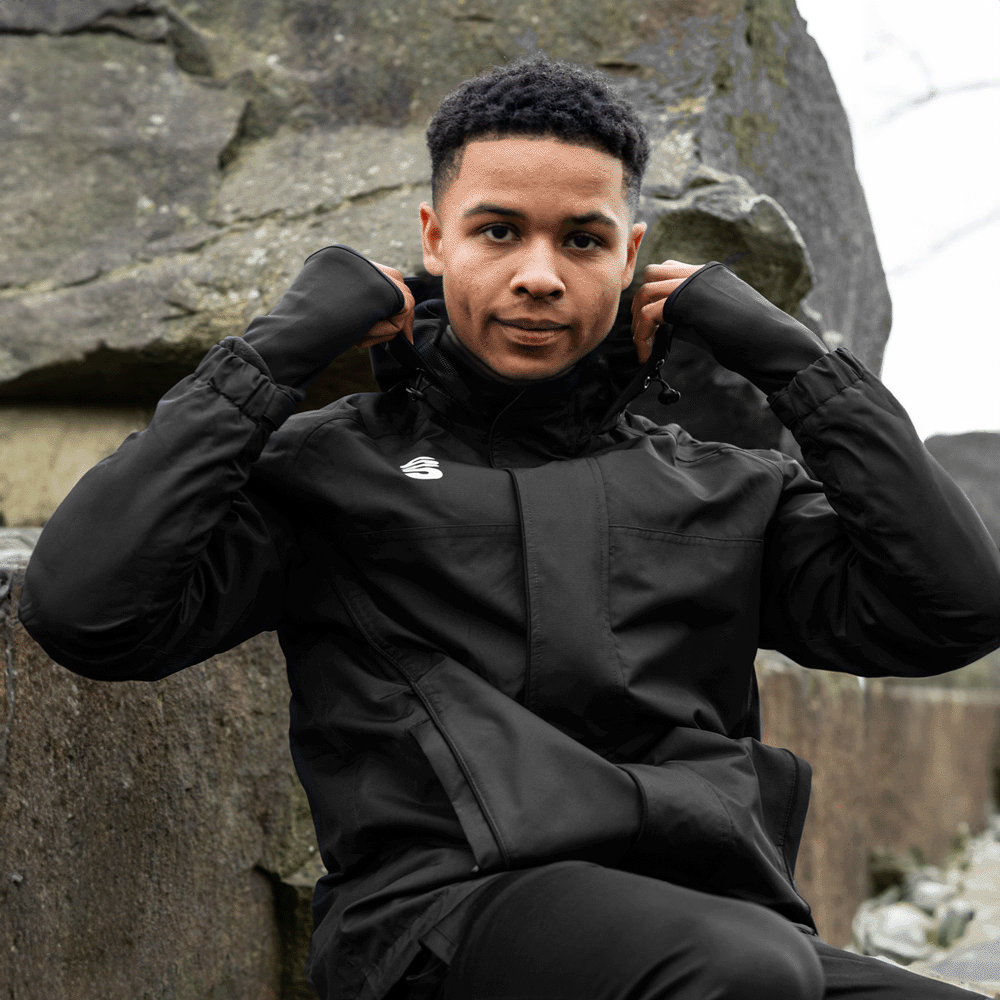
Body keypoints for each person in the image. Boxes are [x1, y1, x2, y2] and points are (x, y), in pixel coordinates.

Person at [19, 55, 999, 1000]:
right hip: (436, 922)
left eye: (582, 240)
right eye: (497, 231)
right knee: (743, 967)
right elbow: (85, 610)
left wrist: (797, 364)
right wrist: (271, 354)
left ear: (630, 254)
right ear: (435, 238)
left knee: (766, 966)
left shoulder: (725, 487)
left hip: (719, 924)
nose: (539, 274)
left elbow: (953, 610)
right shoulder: (331, 468)